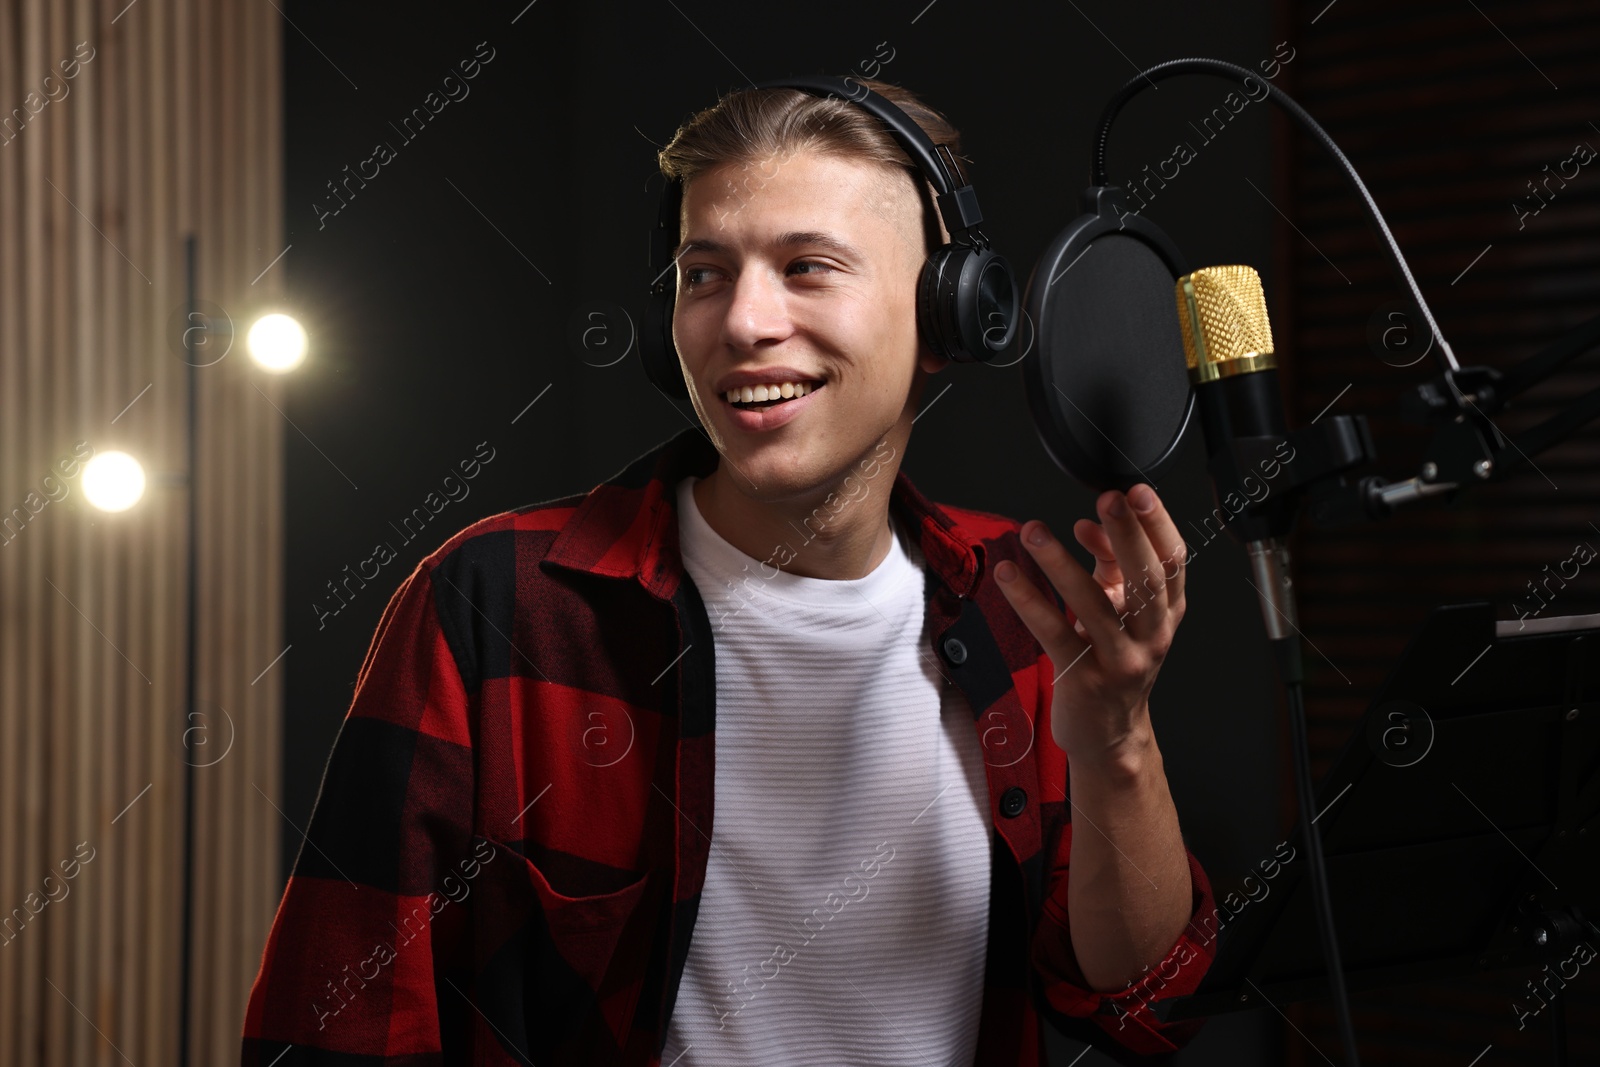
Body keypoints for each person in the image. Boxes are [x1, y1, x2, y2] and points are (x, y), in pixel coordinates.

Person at [241, 77, 1218, 1067]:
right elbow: (334, 1030)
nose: (743, 321)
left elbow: (1138, 1003)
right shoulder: (496, 603)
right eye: (704, 274)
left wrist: (1117, 742)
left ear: (949, 317)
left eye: (806, 267)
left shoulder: (1027, 602)